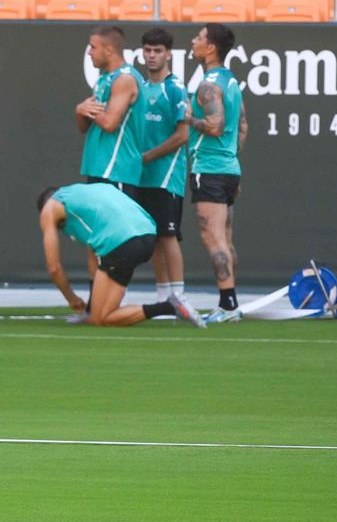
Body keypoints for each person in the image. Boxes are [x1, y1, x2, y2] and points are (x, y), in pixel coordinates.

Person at [36, 183, 195, 327]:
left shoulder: (50, 208)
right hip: (147, 236)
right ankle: (172, 305)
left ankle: (168, 306)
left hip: (120, 243)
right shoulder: (84, 195)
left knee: (100, 319)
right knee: (102, 312)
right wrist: (90, 306)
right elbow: (94, 253)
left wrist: (73, 300)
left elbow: (54, 268)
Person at [187, 23, 248, 324]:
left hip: (209, 169)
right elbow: (243, 126)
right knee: (224, 238)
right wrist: (232, 159)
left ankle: (228, 305)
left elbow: (215, 126)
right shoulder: (231, 81)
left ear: (210, 47)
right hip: (228, 169)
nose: (193, 41)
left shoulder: (209, 85)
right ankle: (231, 302)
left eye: (198, 37)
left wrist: (188, 118)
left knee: (214, 240)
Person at [135, 27, 195, 310]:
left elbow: (183, 135)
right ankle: (162, 297)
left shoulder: (175, 88)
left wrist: (149, 156)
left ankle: (179, 295)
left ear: (169, 54)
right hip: (142, 177)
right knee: (154, 238)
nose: (151, 56)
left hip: (166, 176)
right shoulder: (141, 87)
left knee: (168, 235)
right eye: (147, 50)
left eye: (157, 51)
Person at [76, 24, 144, 190]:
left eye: (93, 47)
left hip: (117, 169)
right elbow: (84, 127)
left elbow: (109, 124)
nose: (89, 52)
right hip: (98, 167)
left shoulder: (125, 79)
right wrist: (80, 112)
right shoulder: (103, 80)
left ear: (109, 50)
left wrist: (84, 109)